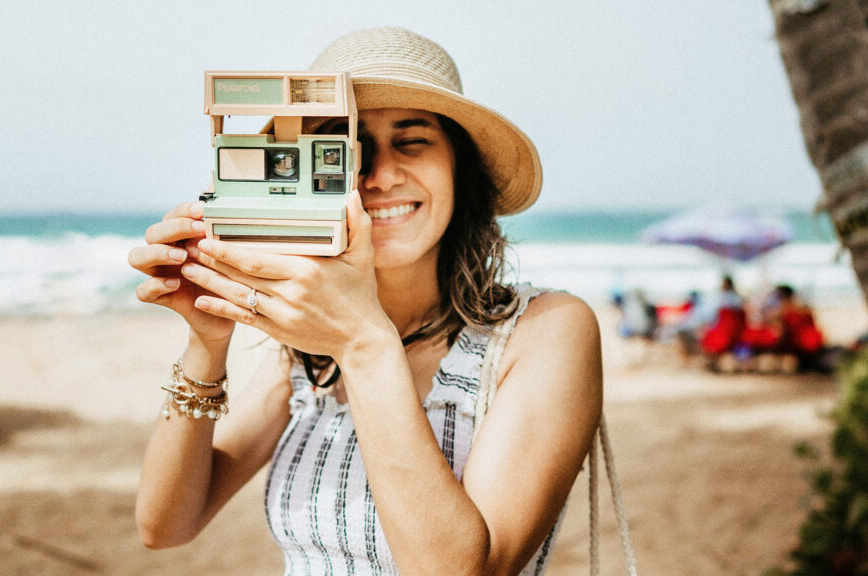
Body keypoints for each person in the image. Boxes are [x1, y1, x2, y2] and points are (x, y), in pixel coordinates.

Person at [128, 27, 603, 575]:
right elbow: (164, 526)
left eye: (412, 140)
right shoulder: (304, 354)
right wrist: (206, 341)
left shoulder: (545, 330)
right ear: (302, 178)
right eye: (344, 149)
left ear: (459, 170)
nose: (378, 176)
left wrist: (363, 343)